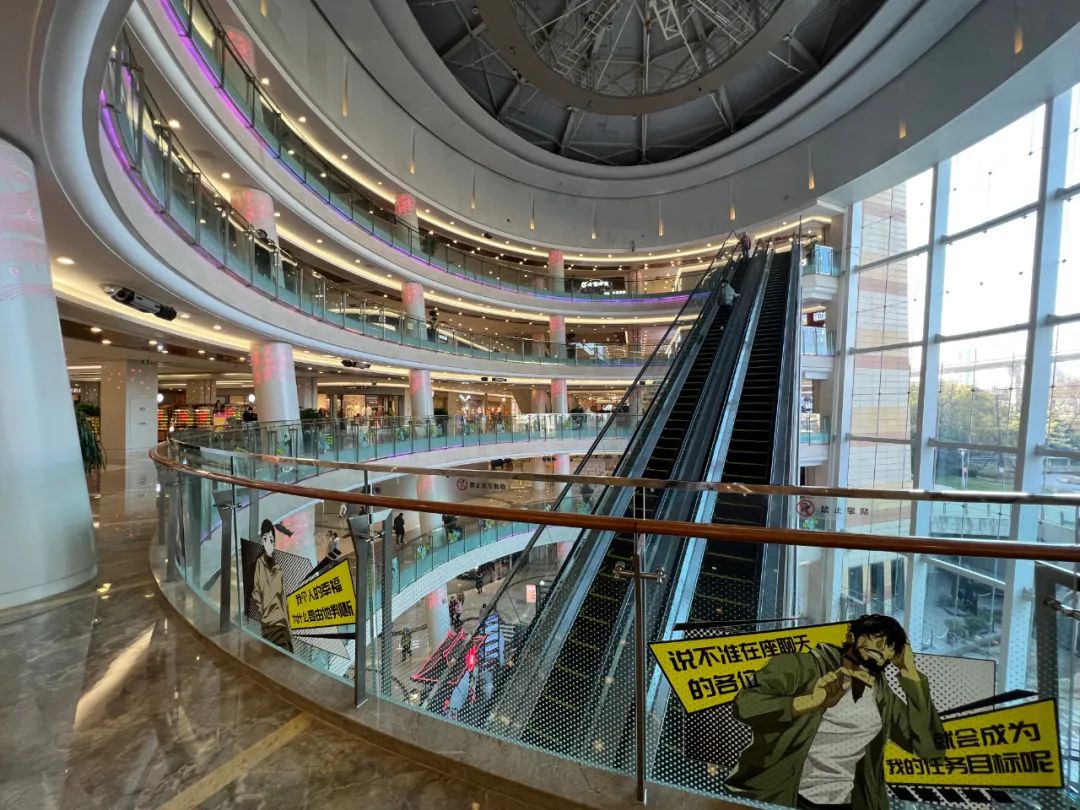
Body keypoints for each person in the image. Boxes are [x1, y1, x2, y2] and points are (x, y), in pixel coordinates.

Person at [726, 614, 944, 810]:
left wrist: (911, 675)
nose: (880, 645)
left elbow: (931, 750)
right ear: (851, 637)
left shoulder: (883, 697)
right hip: (781, 797)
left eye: (890, 645)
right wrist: (810, 702)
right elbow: (745, 705)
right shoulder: (801, 666)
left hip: (845, 802)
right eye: (874, 636)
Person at [250, 519, 292, 652]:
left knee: (285, 655)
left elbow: (283, 597)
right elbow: (255, 592)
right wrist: (265, 613)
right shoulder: (259, 564)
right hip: (269, 622)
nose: (269, 543)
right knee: (271, 653)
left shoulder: (277, 567)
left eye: (271, 540)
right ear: (262, 541)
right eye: (265, 539)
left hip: (282, 621)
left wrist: (288, 622)